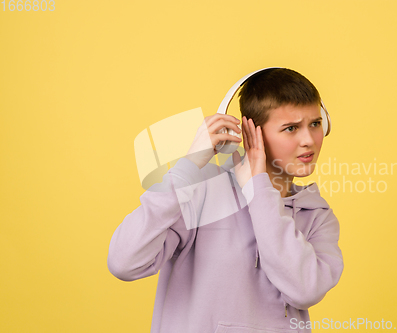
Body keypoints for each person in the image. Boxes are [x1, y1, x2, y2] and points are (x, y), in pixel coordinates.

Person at [107, 68, 344, 333]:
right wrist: (188, 168)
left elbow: (305, 291)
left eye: (315, 124)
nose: (309, 140)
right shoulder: (202, 194)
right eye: (291, 128)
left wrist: (258, 192)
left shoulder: (317, 215)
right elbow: (124, 262)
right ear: (250, 133)